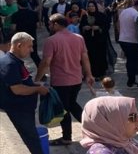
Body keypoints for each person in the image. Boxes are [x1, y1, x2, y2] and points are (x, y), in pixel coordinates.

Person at [0, 32, 67, 154]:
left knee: (32, 139)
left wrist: (35, 84)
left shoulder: (16, 61)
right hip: (17, 111)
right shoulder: (9, 64)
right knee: (32, 140)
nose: (31, 50)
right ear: (19, 45)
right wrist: (37, 89)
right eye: (29, 46)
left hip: (23, 110)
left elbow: (23, 82)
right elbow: (17, 89)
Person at [35, 14, 94, 145]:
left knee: (64, 108)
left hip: (61, 81)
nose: (49, 26)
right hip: (76, 79)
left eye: (50, 23)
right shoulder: (78, 38)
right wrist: (89, 74)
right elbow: (85, 58)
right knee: (72, 104)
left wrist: (37, 79)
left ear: (56, 24)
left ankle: (67, 137)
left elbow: (46, 62)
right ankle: (93, 129)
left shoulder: (51, 41)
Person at [80, 0, 110, 81]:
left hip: (99, 41)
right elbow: (81, 26)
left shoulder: (101, 16)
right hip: (89, 41)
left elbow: (106, 27)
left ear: (95, 7)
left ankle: (101, 73)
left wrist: (99, 28)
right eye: (89, 6)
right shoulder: (85, 16)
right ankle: (91, 73)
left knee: (100, 56)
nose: (91, 8)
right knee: (90, 57)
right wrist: (84, 28)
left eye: (92, 6)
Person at [118, 0, 138, 88]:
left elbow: (118, 24)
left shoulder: (124, 11)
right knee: (132, 61)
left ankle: (131, 80)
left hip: (123, 39)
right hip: (132, 40)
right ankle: (131, 81)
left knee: (130, 61)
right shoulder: (136, 14)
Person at [9, 0, 40, 65]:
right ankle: (42, 73)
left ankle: (21, 73)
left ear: (18, 5)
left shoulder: (15, 15)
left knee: (18, 57)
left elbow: (13, 28)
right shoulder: (34, 13)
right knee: (34, 55)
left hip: (20, 39)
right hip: (32, 37)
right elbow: (37, 26)